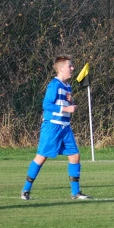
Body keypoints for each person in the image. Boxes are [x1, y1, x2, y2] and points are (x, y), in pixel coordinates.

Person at [21, 54, 92, 201]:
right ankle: (25, 190)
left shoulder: (67, 86)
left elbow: (63, 103)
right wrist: (67, 109)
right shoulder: (54, 85)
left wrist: (71, 101)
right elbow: (46, 105)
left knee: (75, 155)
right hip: (52, 127)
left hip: (65, 127)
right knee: (41, 157)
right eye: (70, 66)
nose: (72, 68)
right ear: (60, 69)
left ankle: (75, 193)